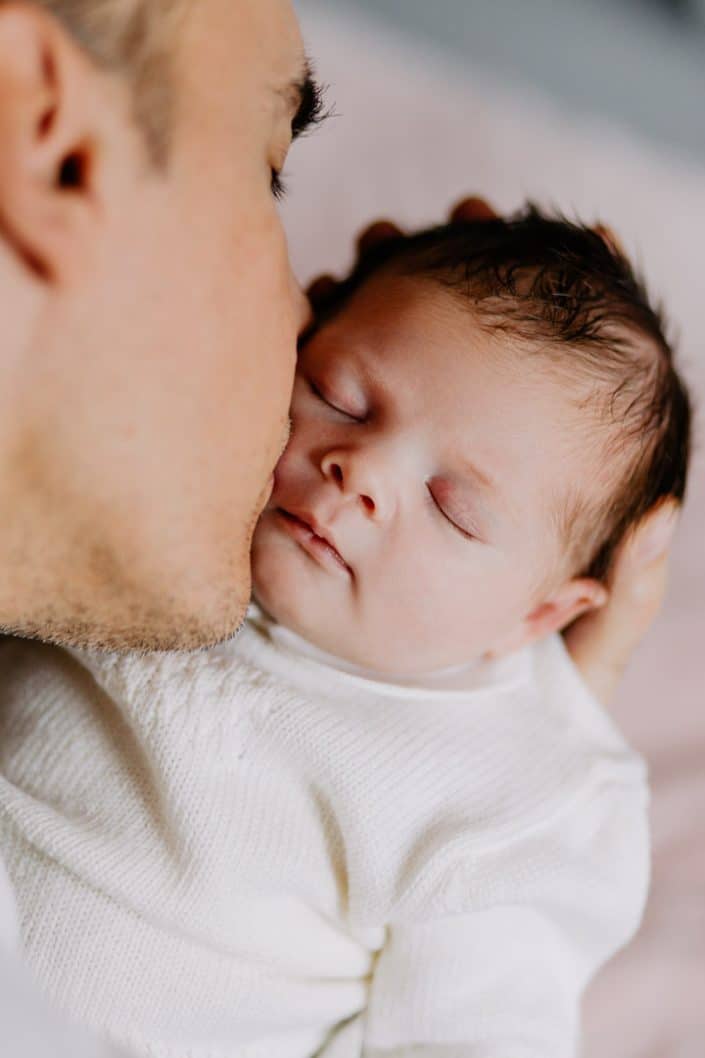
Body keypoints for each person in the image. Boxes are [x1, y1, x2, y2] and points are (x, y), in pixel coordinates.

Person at [0, 0, 680, 1054]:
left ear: (542, 610)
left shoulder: (517, 803)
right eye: (341, 393)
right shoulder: (152, 524)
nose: (356, 472)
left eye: (455, 508)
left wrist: (538, 727)